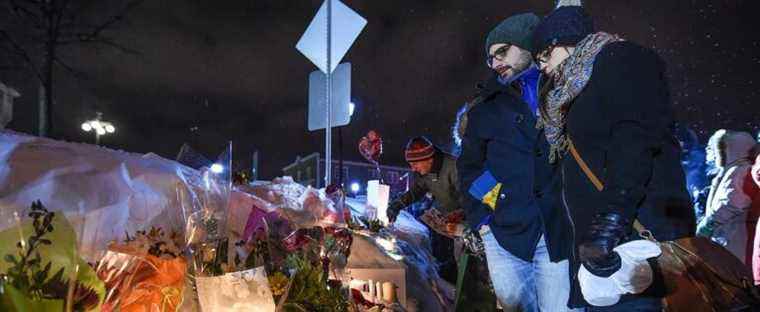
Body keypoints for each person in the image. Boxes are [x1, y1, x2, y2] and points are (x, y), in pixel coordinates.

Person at [531, 2, 695, 311]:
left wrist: (610, 220)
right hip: (604, 251)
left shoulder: (621, 59)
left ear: (566, 40)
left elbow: (635, 141)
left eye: (545, 55)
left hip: (635, 238)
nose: (542, 67)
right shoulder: (572, 92)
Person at [457, 12, 576, 311]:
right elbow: (470, 169)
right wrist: (492, 209)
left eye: (502, 51)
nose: (495, 63)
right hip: (505, 236)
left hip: (556, 233)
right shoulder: (484, 110)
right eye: (490, 58)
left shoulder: (565, 92)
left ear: (526, 46)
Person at [697, 130, 756, 265]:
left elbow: (733, 203)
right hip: (729, 237)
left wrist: (708, 224)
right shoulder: (734, 170)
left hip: (735, 239)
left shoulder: (740, 171)